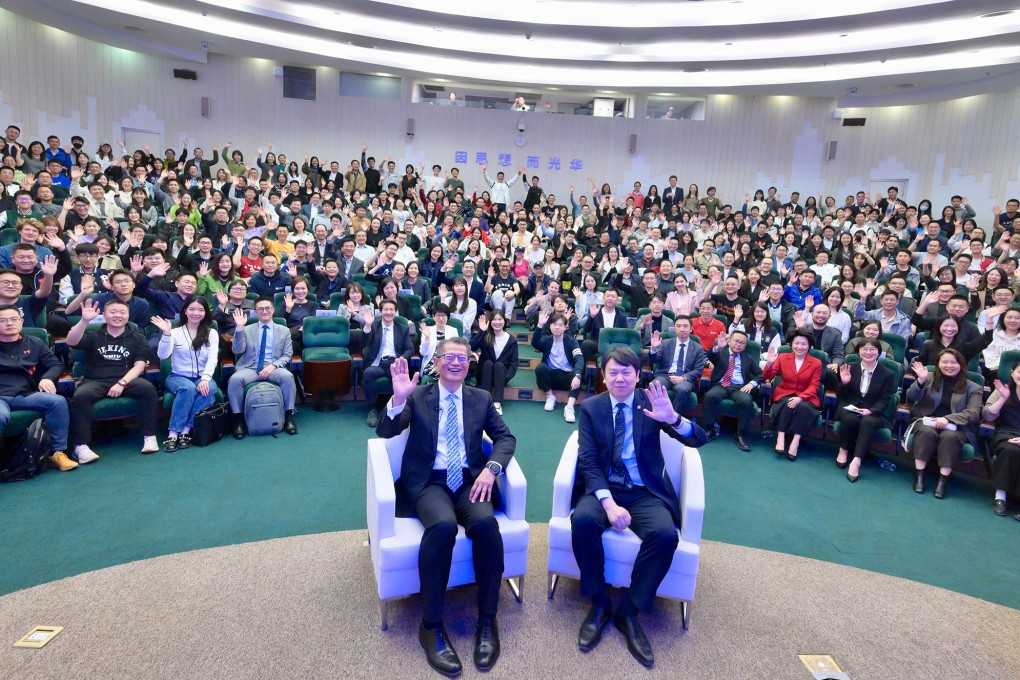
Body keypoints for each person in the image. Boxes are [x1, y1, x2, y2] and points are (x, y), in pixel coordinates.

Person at [376, 340, 515, 676]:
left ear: (470, 363)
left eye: (462, 358)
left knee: (486, 526)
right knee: (442, 526)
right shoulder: (418, 394)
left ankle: (487, 619)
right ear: (436, 362)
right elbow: (385, 429)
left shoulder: (480, 398)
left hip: (470, 481)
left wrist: (491, 468)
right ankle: (431, 625)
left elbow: (506, 439)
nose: (456, 363)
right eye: (448, 357)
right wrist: (397, 399)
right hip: (428, 482)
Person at [571, 347, 707, 667]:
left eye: (626, 372)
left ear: (637, 374)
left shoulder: (651, 403)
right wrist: (609, 504)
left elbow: (698, 439)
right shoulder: (591, 407)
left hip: (644, 490)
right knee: (583, 522)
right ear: (603, 376)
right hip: (606, 487)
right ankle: (600, 603)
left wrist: (672, 418)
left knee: (664, 535)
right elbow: (589, 463)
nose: (619, 378)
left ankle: (629, 611)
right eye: (613, 372)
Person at [65, 299, 160, 460]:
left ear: (128, 315)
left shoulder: (137, 337)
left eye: (122, 312)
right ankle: (81, 446)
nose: (118, 315)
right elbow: (71, 341)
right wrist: (84, 320)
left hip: (126, 379)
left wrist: (121, 383)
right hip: (96, 380)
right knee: (81, 396)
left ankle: (149, 436)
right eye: (113, 312)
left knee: (148, 389)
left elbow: (139, 365)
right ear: (104, 315)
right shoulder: (93, 334)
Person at [0, 304, 72, 470]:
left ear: (21, 321)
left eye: (13, 319)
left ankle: (57, 452)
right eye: (2, 320)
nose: (9, 323)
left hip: (24, 394)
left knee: (57, 402)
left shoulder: (34, 342)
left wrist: (47, 378)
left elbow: (55, 364)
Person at [906, 350, 982, 499]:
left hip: (956, 426)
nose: (949, 365)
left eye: (954, 362)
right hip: (926, 420)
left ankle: (942, 481)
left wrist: (948, 419)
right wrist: (920, 381)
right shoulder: (928, 377)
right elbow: (910, 396)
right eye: (944, 362)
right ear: (938, 364)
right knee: (927, 432)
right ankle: (919, 476)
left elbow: (973, 413)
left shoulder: (973, 387)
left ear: (961, 365)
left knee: (949, 437)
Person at [153, 296, 219, 451]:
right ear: (185, 311)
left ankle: (186, 430)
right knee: (188, 388)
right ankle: (173, 433)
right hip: (177, 377)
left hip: (201, 376)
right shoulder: (175, 332)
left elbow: (212, 358)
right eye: (192, 309)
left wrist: (205, 379)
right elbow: (163, 355)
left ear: (205, 313)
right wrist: (166, 334)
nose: (196, 313)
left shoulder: (212, 333)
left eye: (200, 310)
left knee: (210, 389)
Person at [227, 297, 298, 438]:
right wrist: (239, 328)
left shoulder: (283, 330)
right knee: (235, 379)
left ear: (273, 310)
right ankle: (238, 420)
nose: (264, 311)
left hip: (273, 366)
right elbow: (237, 350)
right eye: (260, 309)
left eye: (268, 308)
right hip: (250, 367)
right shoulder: (247, 329)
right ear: (255, 312)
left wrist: (273, 366)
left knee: (288, 377)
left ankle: (289, 416)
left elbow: (287, 354)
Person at [834, 339, 897, 482]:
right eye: (864, 349)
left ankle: (856, 461)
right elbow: (840, 394)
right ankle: (843, 449)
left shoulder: (888, 374)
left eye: (872, 349)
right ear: (858, 352)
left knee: (868, 421)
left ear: (879, 352)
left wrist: (872, 410)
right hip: (850, 407)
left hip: (874, 411)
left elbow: (884, 399)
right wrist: (844, 383)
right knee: (850, 418)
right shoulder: (849, 367)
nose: (868, 352)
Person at [760, 331, 822, 460]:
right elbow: (768, 376)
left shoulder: (816, 363)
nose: (800, 347)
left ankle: (796, 441)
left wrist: (801, 398)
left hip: (807, 396)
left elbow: (814, 385)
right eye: (797, 343)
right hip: (785, 392)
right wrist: (770, 364)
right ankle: (781, 437)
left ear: (809, 346)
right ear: (791, 344)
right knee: (787, 404)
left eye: (804, 344)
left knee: (804, 408)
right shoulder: (783, 357)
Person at [701, 329, 761, 451]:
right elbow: (710, 356)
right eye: (736, 341)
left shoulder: (748, 358)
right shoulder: (720, 353)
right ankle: (710, 430)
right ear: (729, 341)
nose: (738, 344)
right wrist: (717, 347)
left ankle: (740, 435)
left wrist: (751, 384)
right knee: (709, 396)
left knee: (747, 401)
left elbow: (760, 374)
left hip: (738, 387)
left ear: (745, 346)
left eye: (742, 343)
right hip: (721, 385)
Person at [363, 298, 415, 427]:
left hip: (395, 363)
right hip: (378, 363)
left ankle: (401, 410)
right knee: (368, 373)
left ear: (395, 312)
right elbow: (364, 342)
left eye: (391, 309)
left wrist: (401, 359)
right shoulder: (373, 325)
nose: (388, 312)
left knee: (401, 377)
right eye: (385, 309)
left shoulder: (402, 328)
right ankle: (372, 409)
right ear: (380, 311)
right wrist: (368, 325)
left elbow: (410, 348)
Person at [982, 362, 1020, 519]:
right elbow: (987, 416)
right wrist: (1003, 399)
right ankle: (1000, 496)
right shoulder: (1002, 390)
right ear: (1012, 373)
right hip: (1006, 433)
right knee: (1010, 450)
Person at [533, 310, 584, 422]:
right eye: (554, 324)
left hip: (567, 377)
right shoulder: (547, 340)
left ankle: (569, 407)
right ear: (550, 326)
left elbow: (579, 359)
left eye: (560, 325)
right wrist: (540, 325)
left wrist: (578, 375)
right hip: (551, 376)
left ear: (566, 327)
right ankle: (550, 397)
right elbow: (535, 343)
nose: (557, 327)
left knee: (578, 374)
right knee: (540, 368)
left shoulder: (571, 341)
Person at [649, 316, 707, 412]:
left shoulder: (698, 348)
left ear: (691, 329)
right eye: (678, 326)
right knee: (654, 386)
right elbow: (654, 360)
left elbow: (698, 370)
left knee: (682, 390)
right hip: (665, 376)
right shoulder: (665, 343)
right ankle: (654, 416)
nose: (682, 329)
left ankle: (674, 419)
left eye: (685, 326)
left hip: (684, 378)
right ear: (674, 328)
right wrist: (654, 349)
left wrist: (683, 378)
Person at [471, 310, 518, 416]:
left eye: (500, 319)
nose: (497, 322)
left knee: (499, 365)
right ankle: (484, 401)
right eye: (494, 319)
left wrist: (506, 377)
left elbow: (514, 363)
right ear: (490, 321)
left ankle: (497, 403)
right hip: (484, 374)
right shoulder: (486, 335)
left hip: (501, 376)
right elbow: (472, 347)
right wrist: (481, 332)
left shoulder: (511, 340)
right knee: (488, 363)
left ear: (504, 321)